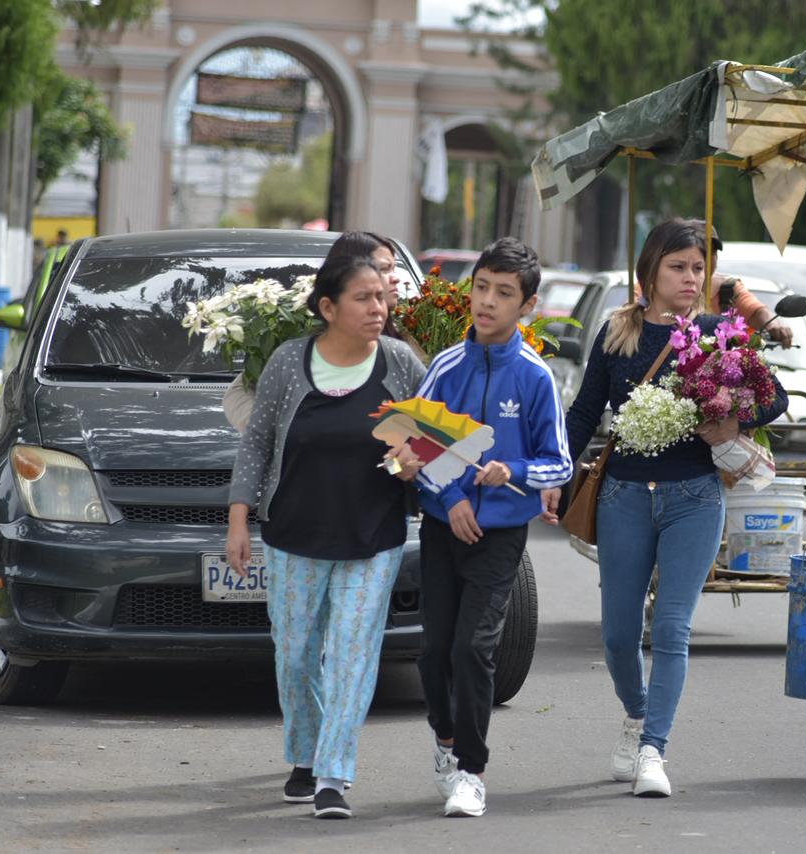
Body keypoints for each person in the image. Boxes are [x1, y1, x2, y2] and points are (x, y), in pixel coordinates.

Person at [564, 219, 788, 797]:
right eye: (678, 267)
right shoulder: (617, 334)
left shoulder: (719, 332)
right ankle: (636, 715)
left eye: (698, 268)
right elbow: (586, 412)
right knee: (618, 635)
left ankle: (652, 750)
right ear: (649, 273)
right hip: (624, 496)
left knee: (671, 628)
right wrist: (551, 472)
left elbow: (775, 398)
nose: (691, 278)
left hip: (694, 495)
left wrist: (734, 418)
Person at [226, 253, 427, 819]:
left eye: (382, 297)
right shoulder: (290, 363)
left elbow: (421, 443)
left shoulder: (400, 363)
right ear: (327, 308)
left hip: (373, 536)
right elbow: (257, 444)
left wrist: (409, 464)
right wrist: (238, 519)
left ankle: (334, 775)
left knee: (351, 654)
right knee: (294, 655)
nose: (378, 308)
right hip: (293, 534)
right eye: (363, 298)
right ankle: (305, 753)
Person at [386, 237, 572, 818]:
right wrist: (452, 496)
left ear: (528, 306)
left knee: (474, 647)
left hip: (502, 538)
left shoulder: (536, 376)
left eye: (504, 293)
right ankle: (444, 740)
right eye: (481, 288)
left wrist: (511, 470)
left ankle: (471, 770)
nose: (487, 302)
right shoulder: (444, 367)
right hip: (444, 528)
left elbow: (560, 461)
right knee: (433, 650)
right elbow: (407, 446)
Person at [223, 231, 405, 432]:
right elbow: (239, 392)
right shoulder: (303, 338)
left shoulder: (411, 339)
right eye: (385, 269)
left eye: (394, 268)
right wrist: (285, 435)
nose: (396, 278)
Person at [687, 219, 794, 349]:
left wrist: (774, 326)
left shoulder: (728, 289)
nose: (708, 258)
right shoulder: (667, 289)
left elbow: (757, 311)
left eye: (713, 252)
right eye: (702, 252)